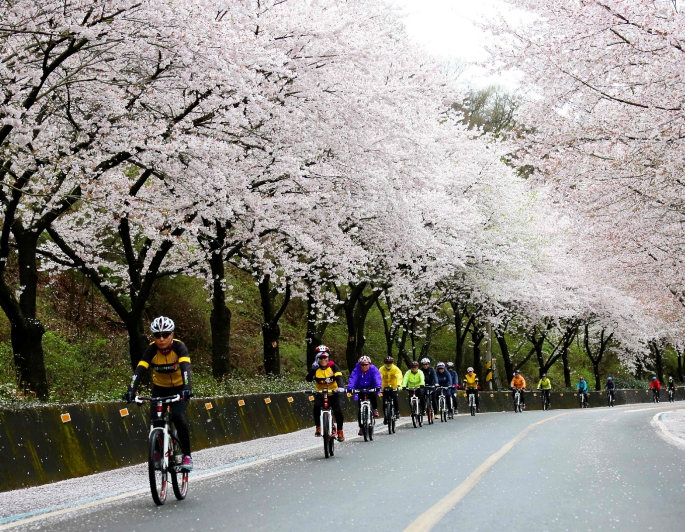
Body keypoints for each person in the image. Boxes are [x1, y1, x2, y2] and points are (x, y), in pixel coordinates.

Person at [124, 316, 194, 470]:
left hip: (180, 388)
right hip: (160, 389)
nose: (161, 339)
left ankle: (187, 455)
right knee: (155, 419)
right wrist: (131, 390)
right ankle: (156, 451)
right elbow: (140, 370)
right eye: (157, 335)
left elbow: (186, 369)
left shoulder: (179, 347)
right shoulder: (151, 349)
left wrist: (187, 388)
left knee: (176, 416)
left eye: (165, 334)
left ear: (172, 334)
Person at [306, 345, 346, 441]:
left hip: (333, 393)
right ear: (317, 358)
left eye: (325, 357)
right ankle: (318, 427)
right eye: (320, 358)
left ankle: (340, 431)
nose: (323, 360)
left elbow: (339, 377)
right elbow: (308, 379)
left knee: (338, 411)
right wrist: (312, 370)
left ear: (328, 357)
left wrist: (341, 387)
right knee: (316, 407)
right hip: (320, 393)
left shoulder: (333, 366)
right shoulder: (315, 368)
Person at [347, 355, 382, 436]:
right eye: (362, 364)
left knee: (373, 395)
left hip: (371, 387)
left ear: (369, 364)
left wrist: (378, 386)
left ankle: (375, 409)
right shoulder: (356, 370)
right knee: (360, 409)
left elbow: (377, 377)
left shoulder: (373, 369)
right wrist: (350, 388)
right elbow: (353, 378)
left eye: (366, 364)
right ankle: (361, 427)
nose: (364, 366)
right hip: (360, 388)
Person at [379, 356, 403, 423]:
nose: (388, 364)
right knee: (384, 402)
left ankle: (397, 412)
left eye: (390, 362)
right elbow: (379, 377)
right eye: (387, 363)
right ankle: (385, 416)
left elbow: (399, 376)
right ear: (385, 363)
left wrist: (398, 385)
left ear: (392, 363)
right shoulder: (381, 369)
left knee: (395, 398)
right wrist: (378, 386)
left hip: (393, 386)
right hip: (384, 387)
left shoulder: (395, 369)